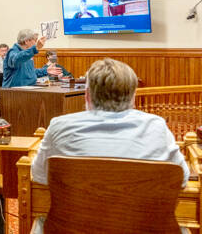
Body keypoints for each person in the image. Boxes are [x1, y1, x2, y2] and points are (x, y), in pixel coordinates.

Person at [31, 58, 190, 233]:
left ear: (87, 95)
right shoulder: (157, 126)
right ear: (133, 96)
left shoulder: (59, 126)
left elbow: (38, 176)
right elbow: (182, 179)